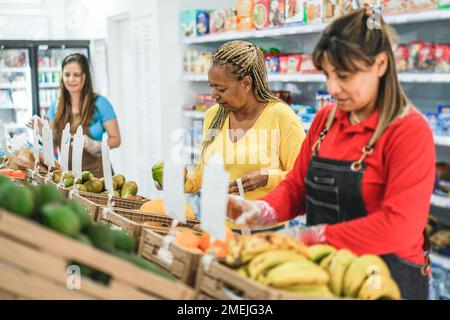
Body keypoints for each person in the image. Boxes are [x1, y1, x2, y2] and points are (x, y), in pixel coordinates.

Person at [227, 9, 435, 300]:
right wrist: (262, 210)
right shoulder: (325, 120)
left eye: (344, 76)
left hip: (387, 282)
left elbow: (399, 226)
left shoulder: (409, 132)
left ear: (381, 64)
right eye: (327, 74)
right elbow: (296, 187)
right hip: (325, 275)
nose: (332, 87)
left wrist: (316, 235)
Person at [157, 40, 306, 232]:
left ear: (246, 84)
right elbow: (202, 176)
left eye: (221, 89)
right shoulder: (214, 115)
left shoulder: (281, 116)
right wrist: (177, 180)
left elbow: (303, 177)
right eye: (211, 86)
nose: (213, 95)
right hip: (217, 228)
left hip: (265, 232)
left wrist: (266, 177)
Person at [29, 53, 121, 177]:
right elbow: (55, 143)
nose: (71, 79)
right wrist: (42, 132)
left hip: (99, 178)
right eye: (67, 75)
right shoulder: (56, 106)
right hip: (68, 177)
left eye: (76, 75)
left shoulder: (100, 104)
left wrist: (96, 146)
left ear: (85, 77)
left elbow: (116, 139)